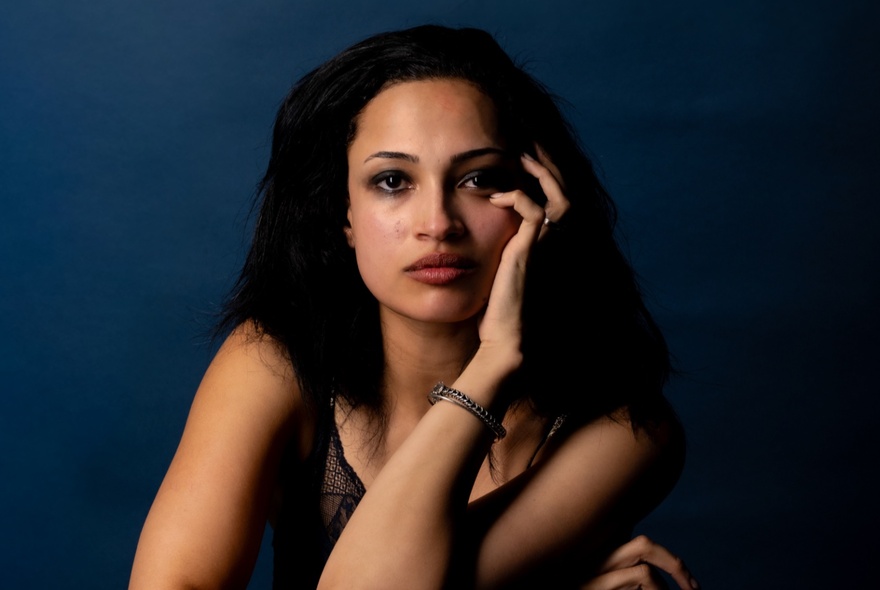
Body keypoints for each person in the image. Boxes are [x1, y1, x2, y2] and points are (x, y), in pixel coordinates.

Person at [130, 25, 698, 590]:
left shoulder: (625, 432)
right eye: (392, 180)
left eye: (478, 178)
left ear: (540, 201)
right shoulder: (275, 363)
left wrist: (496, 360)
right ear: (344, 215)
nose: (438, 224)